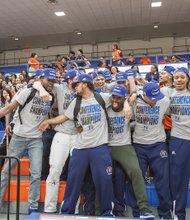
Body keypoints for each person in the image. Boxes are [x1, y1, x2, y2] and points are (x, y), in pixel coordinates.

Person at [39, 74, 132, 216]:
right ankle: (67, 212)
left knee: (104, 182)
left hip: (100, 147)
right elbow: (64, 117)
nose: (74, 86)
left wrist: (126, 104)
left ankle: (107, 213)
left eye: (77, 84)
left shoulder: (102, 97)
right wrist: (49, 122)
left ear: (85, 84)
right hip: (80, 148)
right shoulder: (76, 102)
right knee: (73, 182)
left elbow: (120, 97)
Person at [0, 68, 56, 214]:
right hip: (19, 137)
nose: (51, 83)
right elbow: (9, 109)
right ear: (41, 78)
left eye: (53, 80)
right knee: (6, 171)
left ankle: (33, 205)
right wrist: (10, 124)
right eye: (48, 80)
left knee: (36, 173)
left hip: (36, 139)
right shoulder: (28, 92)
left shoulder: (51, 96)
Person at [34, 69, 78, 213]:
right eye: (76, 79)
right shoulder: (60, 88)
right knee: (54, 171)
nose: (79, 82)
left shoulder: (83, 91)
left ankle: (74, 209)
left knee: (76, 173)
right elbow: (36, 82)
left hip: (79, 136)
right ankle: (49, 208)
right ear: (70, 80)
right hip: (62, 134)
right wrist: (41, 90)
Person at [108, 85, 154, 218]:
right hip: (106, 145)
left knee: (136, 172)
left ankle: (144, 208)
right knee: (102, 176)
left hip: (124, 146)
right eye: (114, 97)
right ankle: (103, 209)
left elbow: (142, 93)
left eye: (119, 97)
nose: (115, 100)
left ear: (124, 98)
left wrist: (128, 103)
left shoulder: (131, 107)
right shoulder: (106, 105)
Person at [132, 81, 172, 219]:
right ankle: (138, 213)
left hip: (158, 144)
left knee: (163, 179)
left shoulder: (164, 100)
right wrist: (130, 98)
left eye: (157, 98)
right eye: (151, 98)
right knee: (138, 179)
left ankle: (166, 214)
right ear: (143, 94)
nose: (155, 101)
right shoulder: (135, 101)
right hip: (139, 144)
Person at [169, 67, 190, 220]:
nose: (179, 80)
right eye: (176, 77)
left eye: (182, 77)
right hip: (179, 140)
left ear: (188, 79)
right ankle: (178, 215)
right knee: (178, 180)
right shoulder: (167, 94)